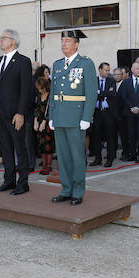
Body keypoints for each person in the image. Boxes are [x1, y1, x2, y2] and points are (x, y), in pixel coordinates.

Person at [49, 29, 97, 206]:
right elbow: (54, 93)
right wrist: (52, 116)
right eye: (62, 41)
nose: (64, 44)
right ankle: (66, 189)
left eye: (68, 41)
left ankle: (78, 190)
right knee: (62, 156)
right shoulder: (57, 64)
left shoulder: (85, 64)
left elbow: (91, 93)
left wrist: (87, 117)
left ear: (76, 44)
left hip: (77, 117)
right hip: (60, 115)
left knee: (77, 156)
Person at [0, 28, 34, 194]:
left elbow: (26, 90)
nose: (1, 41)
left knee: (20, 148)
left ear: (13, 41)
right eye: (0, 38)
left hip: (15, 114)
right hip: (0, 113)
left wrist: (21, 113)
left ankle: (23, 183)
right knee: (6, 149)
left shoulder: (23, 61)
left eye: (4, 38)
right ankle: (9, 180)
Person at [91, 62, 118, 167]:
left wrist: (99, 93)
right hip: (97, 112)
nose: (108, 72)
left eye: (108, 70)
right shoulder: (94, 81)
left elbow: (112, 93)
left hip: (108, 112)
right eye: (106, 70)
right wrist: (104, 93)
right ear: (100, 70)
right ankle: (98, 158)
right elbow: (92, 94)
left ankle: (110, 159)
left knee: (110, 136)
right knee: (96, 136)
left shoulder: (111, 81)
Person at [33, 77, 54, 174]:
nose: (40, 90)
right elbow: (36, 110)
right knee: (41, 145)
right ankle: (44, 165)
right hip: (39, 122)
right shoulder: (37, 96)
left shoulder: (51, 97)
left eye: (41, 88)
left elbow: (52, 111)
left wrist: (45, 121)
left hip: (48, 123)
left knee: (48, 146)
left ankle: (48, 166)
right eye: (38, 88)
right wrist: (35, 121)